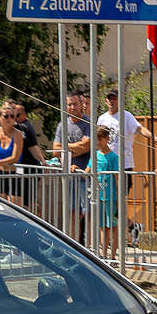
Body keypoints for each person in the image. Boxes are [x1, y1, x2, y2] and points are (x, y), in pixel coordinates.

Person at [57, 90, 93, 238]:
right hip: (69, 176)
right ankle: (74, 243)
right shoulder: (62, 125)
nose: (72, 107)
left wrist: (66, 149)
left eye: (75, 104)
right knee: (72, 212)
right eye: (69, 104)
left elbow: (86, 146)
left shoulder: (88, 123)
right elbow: (55, 150)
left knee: (88, 213)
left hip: (85, 176)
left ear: (81, 104)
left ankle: (90, 245)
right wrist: (75, 148)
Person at [91, 124, 120, 253]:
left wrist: (119, 198)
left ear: (107, 138)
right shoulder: (95, 155)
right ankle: (104, 255)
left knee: (113, 226)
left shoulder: (113, 157)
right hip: (98, 196)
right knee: (102, 227)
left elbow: (117, 178)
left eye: (99, 139)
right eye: (96, 139)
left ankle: (113, 255)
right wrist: (75, 167)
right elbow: (87, 171)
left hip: (110, 197)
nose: (97, 142)